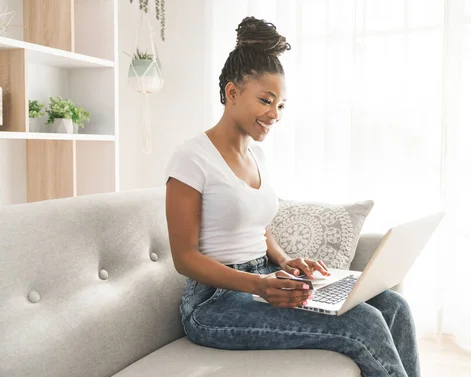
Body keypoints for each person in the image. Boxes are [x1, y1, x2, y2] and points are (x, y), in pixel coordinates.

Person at [164, 16, 421, 377]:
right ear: (232, 92)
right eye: (266, 101)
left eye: (280, 105)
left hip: (265, 276)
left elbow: (255, 225)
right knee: (364, 324)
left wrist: (283, 262)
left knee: (393, 306)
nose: (274, 114)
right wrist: (259, 285)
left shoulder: (258, 157)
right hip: (214, 302)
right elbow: (185, 258)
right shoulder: (191, 157)